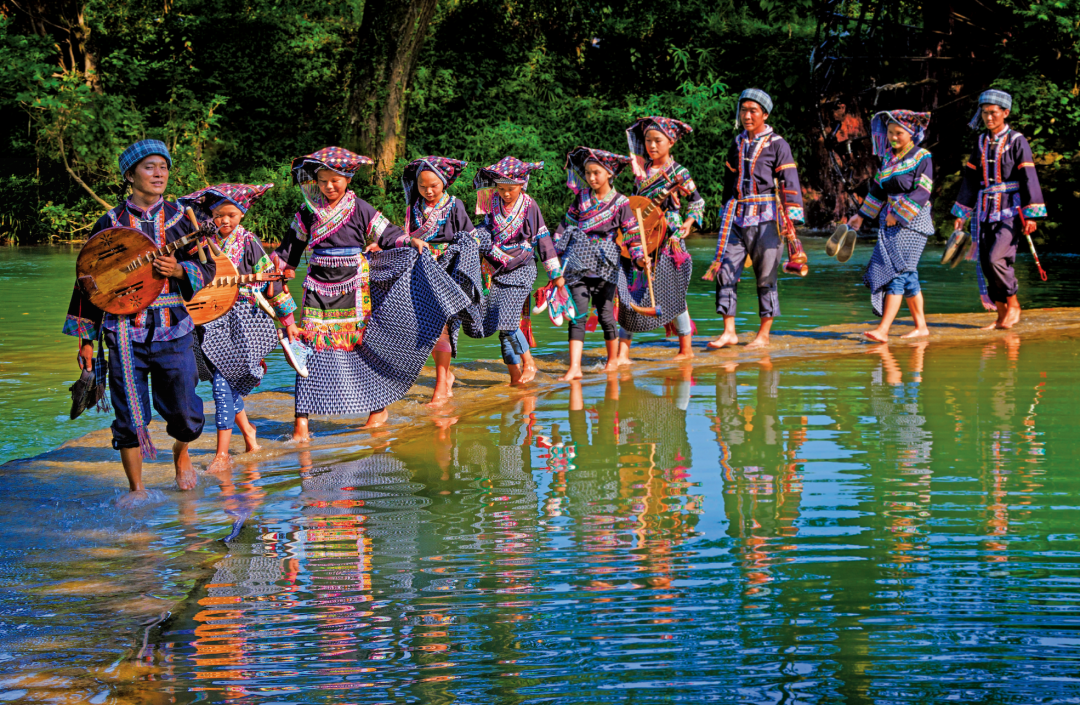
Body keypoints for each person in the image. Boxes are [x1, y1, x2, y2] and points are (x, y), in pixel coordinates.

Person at [273, 147, 469, 440]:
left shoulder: (360, 208)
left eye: (335, 180)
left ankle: (378, 411)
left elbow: (388, 234)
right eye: (323, 180)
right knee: (309, 350)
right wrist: (277, 271)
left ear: (348, 179)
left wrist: (411, 242)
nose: (329, 186)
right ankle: (301, 424)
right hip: (316, 288)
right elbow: (289, 250)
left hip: (354, 286)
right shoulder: (306, 211)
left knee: (362, 348)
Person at [63, 139, 216, 506]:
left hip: (174, 329)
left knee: (186, 414)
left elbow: (209, 268)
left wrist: (179, 270)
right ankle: (137, 489)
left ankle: (181, 452)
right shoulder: (110, 223)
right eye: (150, 167)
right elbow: (90, 283)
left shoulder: (183, 219)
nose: (159, 173)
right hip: (123, 333)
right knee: (129, 417)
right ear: (130, 176)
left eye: (163, 167)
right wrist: (86, 341)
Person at [179, 182, 298, 472]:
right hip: (210, 319)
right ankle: (249, 433)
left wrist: (289, 322)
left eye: (231, 215)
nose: (225, 221)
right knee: (223, 382)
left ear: (242, 215)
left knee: (222, 384)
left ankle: (222, 454)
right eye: (219, 215)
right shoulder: (202, 243)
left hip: (244, 320)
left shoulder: (248, 242)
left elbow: (272, 283)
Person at [705, 89, 805, 351]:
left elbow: (789, 180)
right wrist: (725, 212)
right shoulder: (737, 143)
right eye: (743, 110)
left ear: (765, 115)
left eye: (753, 111)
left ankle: (763, 335)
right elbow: (729, 182)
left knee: (766, 276)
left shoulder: (778, 144)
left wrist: (792, 218)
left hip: (768, 217)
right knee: (725, 270)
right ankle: (729, 332)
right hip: (737, 216)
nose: (747, 116)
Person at [951, 89, 1046, 329]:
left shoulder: (1017, 141)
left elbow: (1028, 176)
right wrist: (962, 213)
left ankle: (1013, 304)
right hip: (984, 210)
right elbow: (971, 180)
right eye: (984, 113)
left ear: (1006, 113)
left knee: (996, 259)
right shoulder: (981, 141)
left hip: (1011, 211)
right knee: (985, 262)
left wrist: (1031, 214)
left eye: (993, 112)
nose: (988, 117)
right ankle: (1002, 315)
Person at [393, 156, 483, 405]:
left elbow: (472, 238)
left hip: (448, 274)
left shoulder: (455, 205)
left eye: (433, 185)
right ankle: (446, 377)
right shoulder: (413, 208)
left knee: (442, 327)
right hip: (422, 273)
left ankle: (441, 384)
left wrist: (456, 255)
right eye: (422, 186)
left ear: (444, 182)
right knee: (429, 329)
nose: (428, 191)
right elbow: (407, 238)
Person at [617, 116, 705, 364]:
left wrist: (689, 222)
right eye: (648, 141)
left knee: (673, 293)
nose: (652, 146)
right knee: (632, 292)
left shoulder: (679, 172)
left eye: (658, 140)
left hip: (669, 238)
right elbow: (635, 203)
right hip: (641, 237)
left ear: (671, 142)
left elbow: (697, 202)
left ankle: (686, 349)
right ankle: (623, 353)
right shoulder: (641, 171)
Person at [472, 157, 563, 385]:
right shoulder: (492, 201)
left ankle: (529, 363)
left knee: (509, 322)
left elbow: (543, 238)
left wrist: (555, 274)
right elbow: (486, 227)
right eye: (501, 188)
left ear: (522, 184)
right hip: (495, 268)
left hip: (522, 267)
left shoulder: (530, 205)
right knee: (502, 327)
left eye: (510, 189)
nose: (505, 194)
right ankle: (515, 378)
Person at [845, 111, 934, 342]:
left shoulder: (922, 157)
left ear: (912, 133)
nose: (893, 138)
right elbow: (878, 190)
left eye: (899, 133)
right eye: (890, 133)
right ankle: (921, 327)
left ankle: (883, 330)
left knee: (896, 272)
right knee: (908, 273)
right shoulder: (888, 158)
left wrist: (898, 213)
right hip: (890, 221)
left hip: (913, 222)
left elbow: (923, 191)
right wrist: (861, 216)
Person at [555, 147, 643, 380]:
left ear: (609, 174)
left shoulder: (621, 202)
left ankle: (612, 360)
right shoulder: (581, 198)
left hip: (606, 267)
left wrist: (639, 257)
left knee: (605, 315)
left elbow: (632, 234)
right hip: (578, 264)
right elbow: (566, 226)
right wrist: (554, 256)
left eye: (596, 173)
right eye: (587, 173)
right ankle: (575, 367)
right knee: (577, 315)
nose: (591, 178)